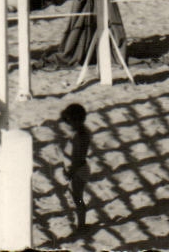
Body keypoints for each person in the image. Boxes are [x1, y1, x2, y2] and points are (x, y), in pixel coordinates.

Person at [54, 101, 95, 236]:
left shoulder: (80, 136)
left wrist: (70, 172)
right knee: (77, 197)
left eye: (70, 121)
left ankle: (82, 225)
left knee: (78, 199)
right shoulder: (80, 132)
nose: (68, 124)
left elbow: (77, 158)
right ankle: (81, 223)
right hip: (78, 169)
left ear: (76, 121)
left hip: (78, 171)